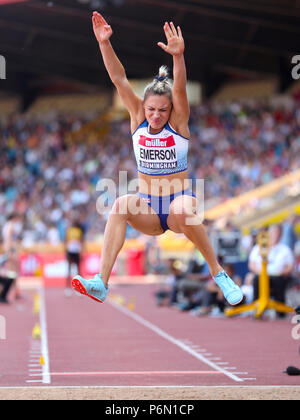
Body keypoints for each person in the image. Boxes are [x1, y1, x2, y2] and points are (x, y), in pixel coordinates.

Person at [72, 12, 243, 306]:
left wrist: (178, 57)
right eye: (151, 109)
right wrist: (104, 44)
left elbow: (178, 89)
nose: (155, 115)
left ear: (170, 111)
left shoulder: (179, 124)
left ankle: (218, 274)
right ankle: (101, 282)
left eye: (162, 110)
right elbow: (119, 79)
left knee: (181, 207)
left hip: (179, 203)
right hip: (149, 207)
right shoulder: (137, 118)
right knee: (120, 204)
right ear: (144, 107)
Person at [248, 224, 294, 313]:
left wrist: (282, 272)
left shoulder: (285, 249)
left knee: (279, 280)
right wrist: (259, 272)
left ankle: (280, 310)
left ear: (281, 234)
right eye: (273, 232)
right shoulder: (258, 248)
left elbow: (289, 267)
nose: (275, 235)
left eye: (278, 232)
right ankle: (257, 307)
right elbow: (251, 264)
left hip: (278, 277)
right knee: (257, 279)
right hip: (261, 275)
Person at [65, 218, 85, 296]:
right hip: (70, 251)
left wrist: (81, 252)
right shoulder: (69, 230)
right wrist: (66, 251)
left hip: (77, 251)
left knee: (78, 271)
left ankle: (78, 289)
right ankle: (67, 288)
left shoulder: (79, 231)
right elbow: (66, 240)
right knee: (69, 271)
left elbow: (81, 242)